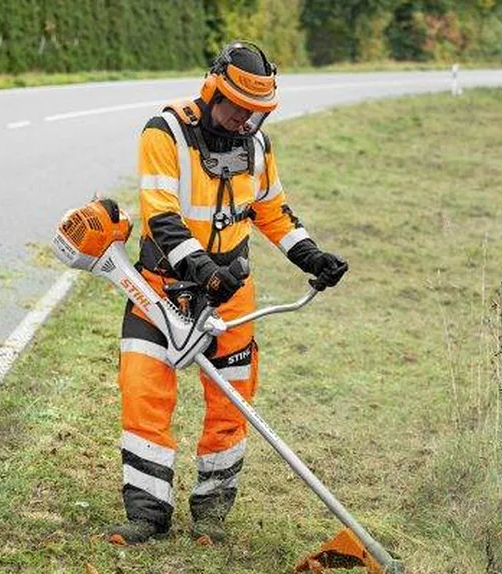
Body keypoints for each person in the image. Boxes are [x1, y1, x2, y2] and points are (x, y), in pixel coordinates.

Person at [109, 41, 348, 545]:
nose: (246, 120)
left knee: (231, 404)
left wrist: (312, 256)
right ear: (213, 89)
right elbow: (160, 214)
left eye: (257, 113)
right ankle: (147, 515)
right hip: (161, 291)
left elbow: (273, 212)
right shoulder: (166, 132)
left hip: (231, 299)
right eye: (239, 108)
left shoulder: (257, 147)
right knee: (144, 394)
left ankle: (212, 515)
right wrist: (201, 269)